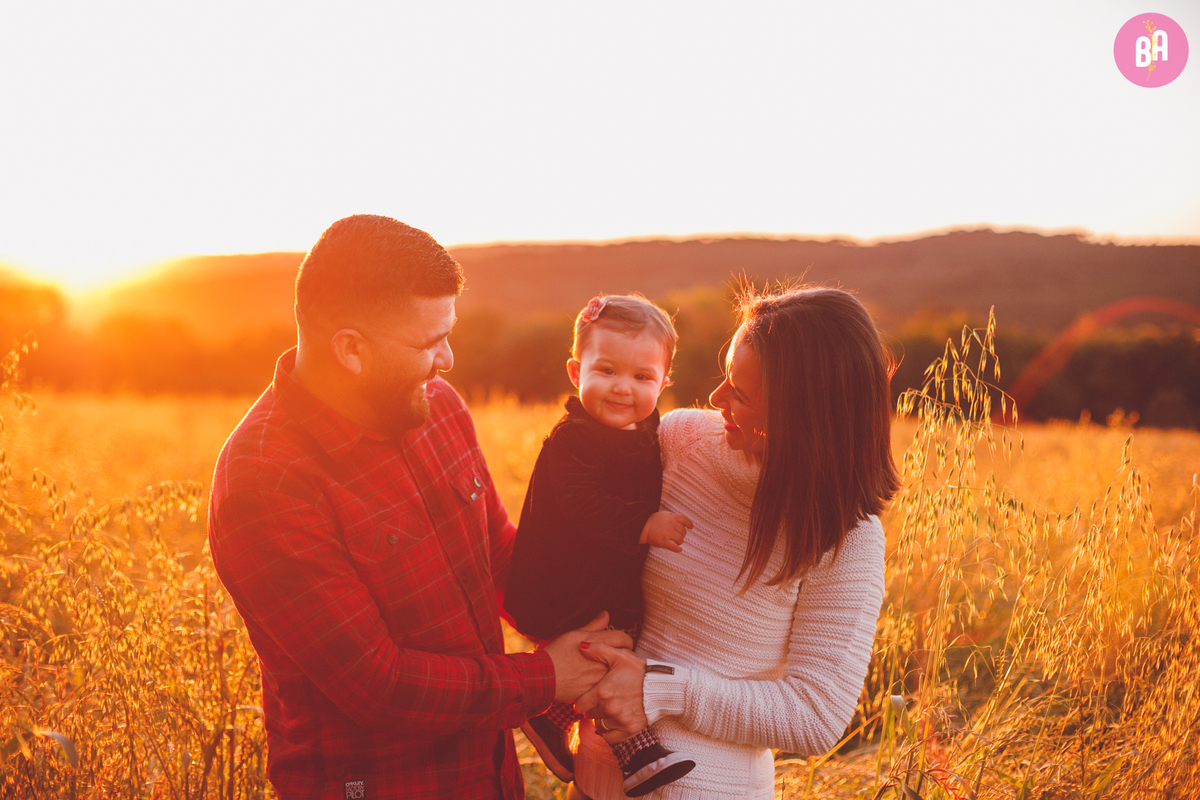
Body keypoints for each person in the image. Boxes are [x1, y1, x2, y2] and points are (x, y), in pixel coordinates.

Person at [206, 214, 632, 800]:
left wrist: (593, 635)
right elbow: (376, 684)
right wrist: (545, 678)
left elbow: (496, 556)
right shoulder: (266, 482)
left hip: (487, 772)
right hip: (378, 783)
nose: (449, 359)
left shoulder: (438, 407)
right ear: (351, 349)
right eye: (430, 343)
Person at [569, 287, 900, 799]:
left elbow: (816, 716)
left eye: (740, 394)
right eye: (726, 378)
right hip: (599, 777)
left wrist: (661, 688)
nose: (717, 399)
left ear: (801, 419)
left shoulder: (846, 538)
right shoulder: (680, 441)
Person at [503, 294, 697, 796]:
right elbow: (580, 504)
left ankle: (555, 719)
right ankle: (635, 748)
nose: (622, 388)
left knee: (615, 645)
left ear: (663, 382)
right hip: (562, 584)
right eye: (607, 370)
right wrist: (645, 524)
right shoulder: (573, 440)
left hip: (603, 581)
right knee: (611, 649)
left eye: (641, 378)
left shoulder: (650, 433)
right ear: (576, 370)